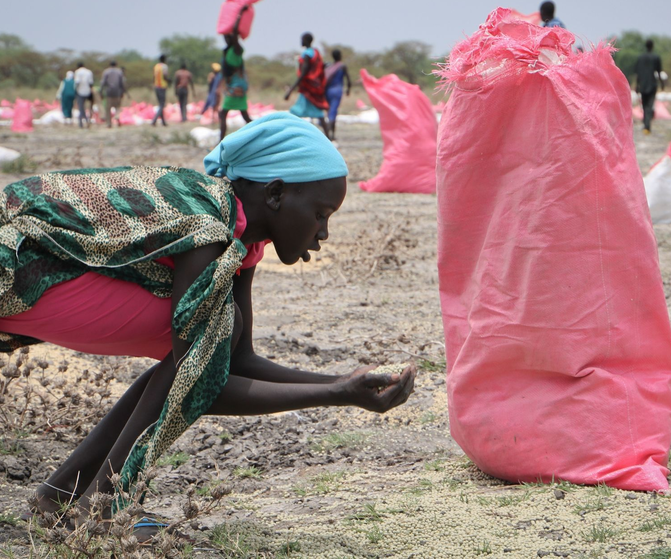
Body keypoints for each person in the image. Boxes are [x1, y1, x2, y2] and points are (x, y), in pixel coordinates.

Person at [6, 112, 416, 536]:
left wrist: (343, 382)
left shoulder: (243, 239)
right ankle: (104, 508)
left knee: (214, 334)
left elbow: (236, 361)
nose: (323, 233)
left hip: (45, 281)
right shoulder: (208, 224)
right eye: (319, 214)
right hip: (17, 266)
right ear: (275, 194)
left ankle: (58, 497)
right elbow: (200, 381)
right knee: (210, 336)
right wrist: (335, 394)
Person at [285, 32, 330, 139]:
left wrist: (291, 89)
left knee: (295, 112)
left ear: (306, 40)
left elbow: (304, 73)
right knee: (318, 114)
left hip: (308, 88)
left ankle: (291, 136)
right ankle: (329, 138)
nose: (301, 41)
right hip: (314, 87)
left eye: (302, 39)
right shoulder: (316, 52)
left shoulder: (307, 54)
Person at [219, 7, 253, 140]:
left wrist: (239, 14)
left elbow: (234, 32)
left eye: (228, 37)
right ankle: (260, 134)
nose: (226, 39)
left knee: (224, 113)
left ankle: (220, 141)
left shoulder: (237, 49)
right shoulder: (228, 51)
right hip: (235, 84)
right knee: (244, 115)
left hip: (236, 85)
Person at [634, 39, 665, 134]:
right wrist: (662, 83)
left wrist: (637, 85)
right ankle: (647, 125)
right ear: (652, 46)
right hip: (652, 84)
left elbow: (638, 73)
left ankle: (646, 124)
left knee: (645, 105)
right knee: (649, 106)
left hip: (643, 84)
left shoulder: (640, 58)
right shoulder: (656, 57)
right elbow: (659, 72)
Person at [324, 49, 351, 142]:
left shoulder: (330, 67)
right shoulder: (342, 66)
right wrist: (348, 90)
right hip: (337, 91)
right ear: (340, 56)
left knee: (330, 112)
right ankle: (327, 133)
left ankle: (332, 135)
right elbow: (348, 79)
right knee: (333, 112)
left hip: (327, 91)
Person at [99, 60, 126, 128]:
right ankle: (117, 117)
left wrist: (101, 91)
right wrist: (123, 91)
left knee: (108, 108)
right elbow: (122, 82)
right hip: (117, 91)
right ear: (116, 64)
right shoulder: (119, 72)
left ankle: (109, 123)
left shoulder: (106, 71)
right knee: (118, 106)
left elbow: (103, 82)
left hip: (109, 91)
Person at [73, 62, 94, 128]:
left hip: (80, 91)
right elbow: (91, 82)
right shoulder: (89, 72)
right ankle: (87, 120)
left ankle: (81, 123)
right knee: (90, 107)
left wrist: (75, 90)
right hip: (88, 91)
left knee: (81, 107)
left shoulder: (77, 72)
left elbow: (77, 82)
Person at [151, 54, 170, 127]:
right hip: (162, 86)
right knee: (162, 104)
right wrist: (169, 80)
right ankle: (154, 120)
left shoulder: (156, 66)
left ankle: (163, 122)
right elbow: (165, 76)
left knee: (160, 104)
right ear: (164, 59)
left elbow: (154, 76)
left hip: (156, 86)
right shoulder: (164, 66)